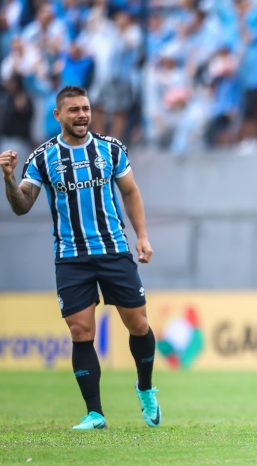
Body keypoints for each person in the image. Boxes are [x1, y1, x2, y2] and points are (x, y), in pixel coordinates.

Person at [0, 85, 160, 430]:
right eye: (73, 110)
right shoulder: (43, 157)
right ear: (57, 115)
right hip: (71, 257)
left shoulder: (111, 149)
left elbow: (130, 191)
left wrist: (142, 236)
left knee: (139, 324)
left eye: (85, 109)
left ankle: (145, 387)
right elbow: (22, 206)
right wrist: (9, 179)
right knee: (80, 330)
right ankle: (95, 413)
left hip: (113, 250)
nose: (82, 115)